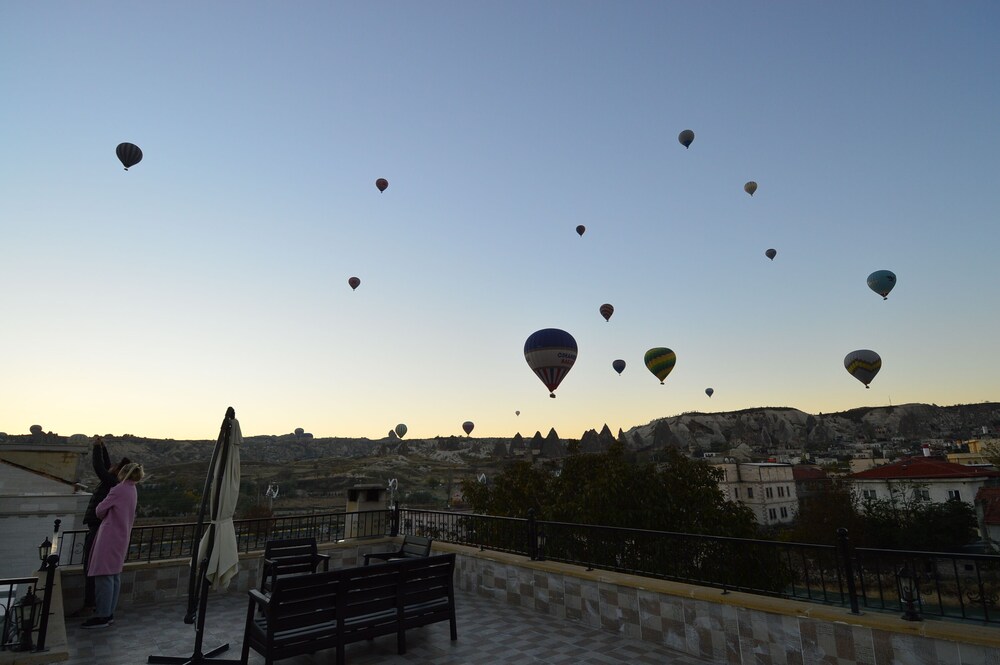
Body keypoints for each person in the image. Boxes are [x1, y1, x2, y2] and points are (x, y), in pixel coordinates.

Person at [82, 461, 144, 629]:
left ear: (123, 473)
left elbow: (99, 510)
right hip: (122, 536)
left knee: (104, 576)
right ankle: (108, 613)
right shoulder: (132, 490)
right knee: (114, 575)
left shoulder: (118, 489)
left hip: (109, 535)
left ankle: (102, 615)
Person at [77, 437, 130, 616]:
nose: (112, 467)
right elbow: (106, 466)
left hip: (100, 529)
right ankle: (97, 607)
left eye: (115, 467)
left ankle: (92, 606)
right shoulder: (118, 483)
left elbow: (100, 468)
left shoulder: (114, 484)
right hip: (101, 529)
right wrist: (103, 448)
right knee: (100, 571)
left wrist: (96, 448)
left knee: (92, 568)